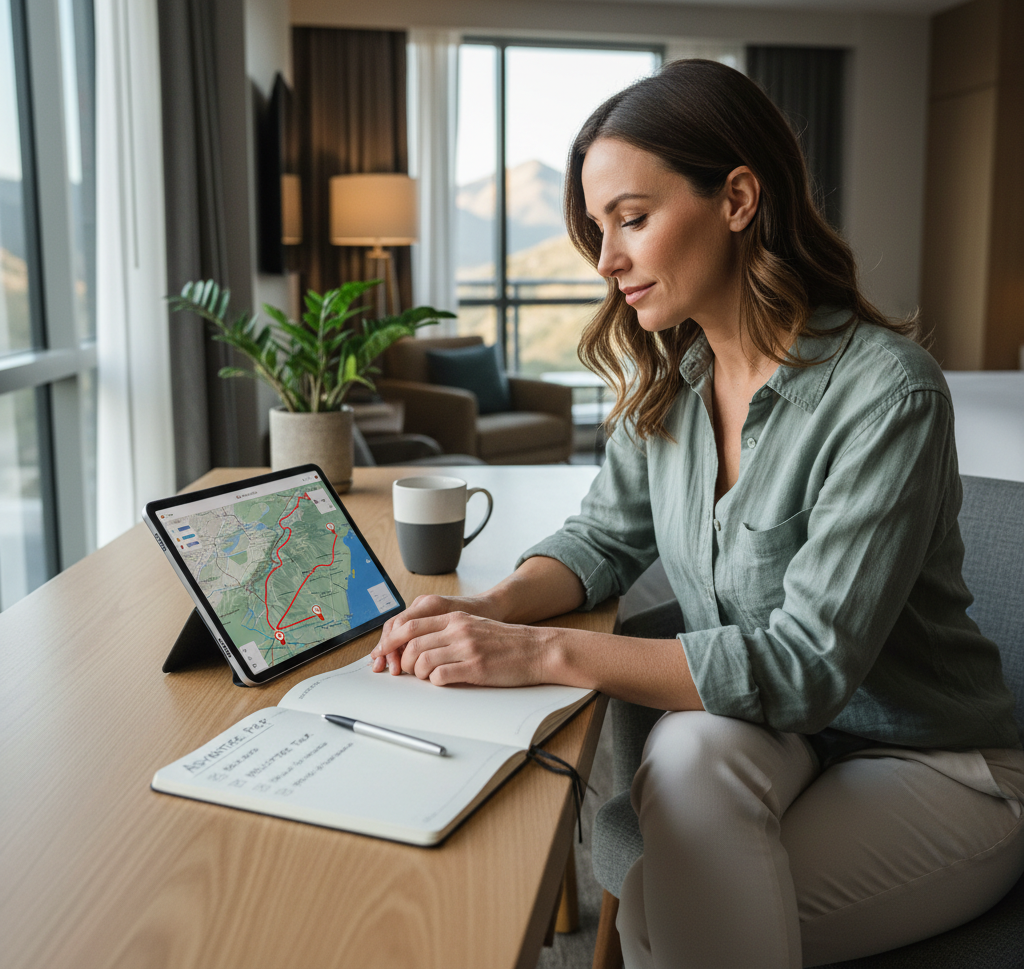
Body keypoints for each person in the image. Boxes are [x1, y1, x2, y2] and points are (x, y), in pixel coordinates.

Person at [370, 59, 1024, 968]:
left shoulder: (886, 397)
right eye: (599, 230)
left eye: (632, 220)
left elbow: (806, 666)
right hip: (778, 740)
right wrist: (492, 610)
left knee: (658, 913)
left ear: (739, 199)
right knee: (682, 762)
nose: (607, 261)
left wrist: (544, 652)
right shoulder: (672, 383)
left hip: (936, 767)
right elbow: (600, 539)